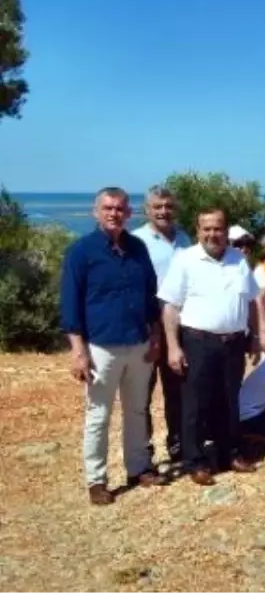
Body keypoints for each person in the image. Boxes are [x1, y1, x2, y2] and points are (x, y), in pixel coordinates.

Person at [61, 187, 166, 505]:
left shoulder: (138, 248)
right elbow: (70, 304)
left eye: (120, 209)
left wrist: (156, 337)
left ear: (129, 213)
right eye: (107, 208)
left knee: (136, 410)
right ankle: (97, 480)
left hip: (138, 344)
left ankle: (138, 468)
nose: (114, 214)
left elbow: (151, 296)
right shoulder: (81, 252)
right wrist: (78, 351)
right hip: (100, 348)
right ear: (96, 212)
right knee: (99, 415)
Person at [159, 208, 265, 486]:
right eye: (206, 229)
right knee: (195, 403)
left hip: (233, 343)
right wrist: (172, 346)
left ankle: (228, 453)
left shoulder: (238, 259)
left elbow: (252, 300)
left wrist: (255, 335)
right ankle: (195, 461)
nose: (212, 234)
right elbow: (170, 306)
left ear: (225, 230)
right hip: (197, 342)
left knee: (229, 400)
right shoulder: (185, 260)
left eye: (217, 228)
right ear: (198, 231)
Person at [130, 185, 191, 465]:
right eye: (157, 207)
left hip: (179, 326)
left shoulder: (185, 239)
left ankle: (178, 444)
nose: (163, 211)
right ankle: (143, 453)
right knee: (141, 392)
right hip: (146, 327)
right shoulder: (136, 241)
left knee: (178, 390)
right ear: (147, 210)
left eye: (168, 206)